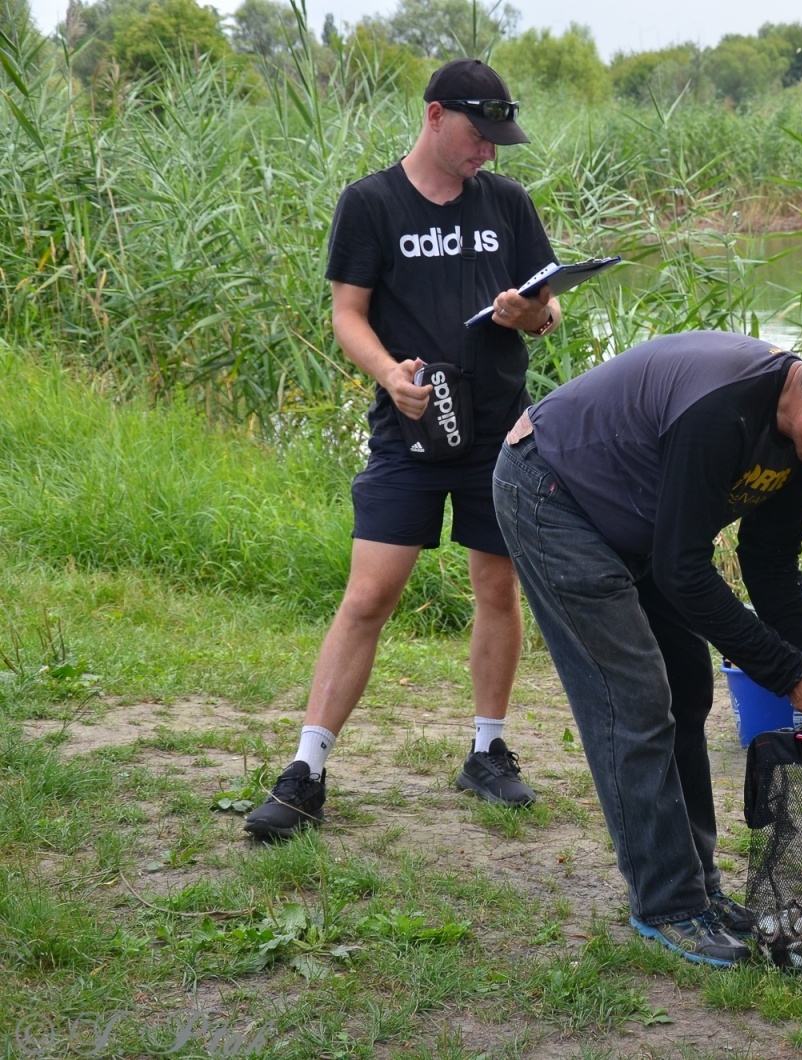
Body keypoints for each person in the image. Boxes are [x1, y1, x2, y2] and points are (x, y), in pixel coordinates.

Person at [492, 332, 802, 966]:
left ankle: (699, 892)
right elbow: (683, 570)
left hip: (634, 524)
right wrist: (783, 672)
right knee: (634, 697)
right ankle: (666, 904)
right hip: (552, 494)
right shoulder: (722, 411)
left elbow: (769, 562)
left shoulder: (801, 450)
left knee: (688, 686)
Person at [245, 59, 561, 840]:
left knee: (497, 589)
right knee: (368, 596)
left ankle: (488, 753)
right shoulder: (371, 203)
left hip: (500, 431)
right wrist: (390, 375)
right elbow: (346, 313)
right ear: (432, 116)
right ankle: (305, 771)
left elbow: (547, 311)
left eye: (496, 139)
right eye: (475, 135)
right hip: (408, 429)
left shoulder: (508, 204)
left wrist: (529, 316)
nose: (487, 151)